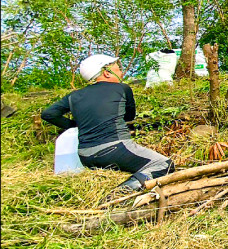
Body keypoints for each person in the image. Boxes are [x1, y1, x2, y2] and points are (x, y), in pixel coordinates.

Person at [41, 54, 175, 197]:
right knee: (165, 165)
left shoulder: (73, 96)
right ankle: (118, 194)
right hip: (115, 149)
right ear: (106, 72)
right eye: (118, 69)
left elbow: (48, 114)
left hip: (86, 156)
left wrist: (76, 125)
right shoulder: (122, 89)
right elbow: (129, 117)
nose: (121, 73)